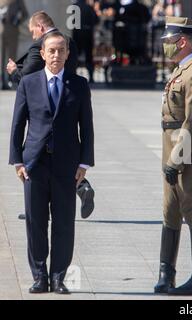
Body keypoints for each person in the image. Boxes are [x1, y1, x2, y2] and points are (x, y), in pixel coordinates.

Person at [9, 31, 95, 294]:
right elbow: (18, 123)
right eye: (52, 51)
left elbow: (87, 128)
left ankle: (58, 276)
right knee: (35, 221)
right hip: (34, 164)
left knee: (63, 222)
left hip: (66, 165)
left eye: (61, 50)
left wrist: (84, 164)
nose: (56, 55)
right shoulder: (29, 83)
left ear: (68, 54)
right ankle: (39, 276)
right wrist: (17, 161)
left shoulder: (78, 84)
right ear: (43, 54)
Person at [7, 11, 95, 220]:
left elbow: (28, 80)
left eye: (33, 31)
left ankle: (39, 206)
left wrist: (13, 71)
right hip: (67, 102)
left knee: (43, 154)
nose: (33, 36)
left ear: (40, 26)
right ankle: (81, 187)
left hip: (49, 111)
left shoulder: (44, 46)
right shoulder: (67, 41)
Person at [154, 16, 192, 296]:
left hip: (189, 152)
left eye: (168, 41)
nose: (165, 46)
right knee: (170, 212)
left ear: (182, 41)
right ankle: (166, 274)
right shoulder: (181, 69)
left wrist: (176, 160)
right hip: (173, 147)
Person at [0, 0, 28, 89]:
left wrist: (17, 22)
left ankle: (10, 80)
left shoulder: (17, 1)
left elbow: (25, 13)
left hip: (12, 31)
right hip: (1, 31)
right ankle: (1, 80)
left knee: (11, 57)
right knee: (1, 57)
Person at [72, 0, 100, 83]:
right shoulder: (89, 7)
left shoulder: (73, 7)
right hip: (87, 33)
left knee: (75, 55)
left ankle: (73, 75)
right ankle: (91, 77)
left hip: (77, 34)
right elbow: (96, 20)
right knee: (89, 56)